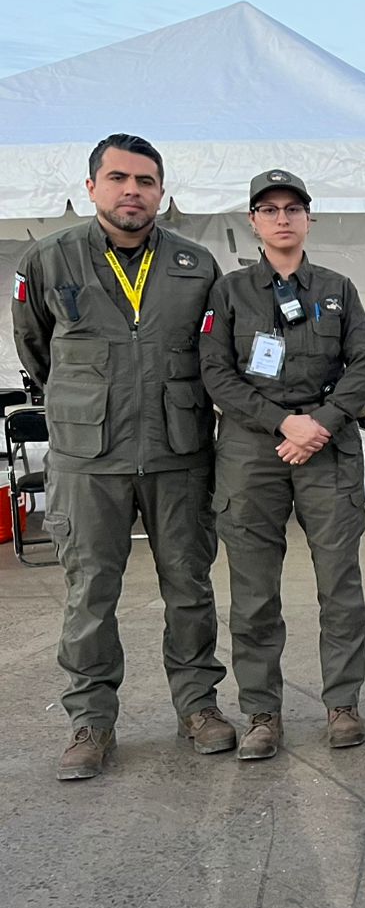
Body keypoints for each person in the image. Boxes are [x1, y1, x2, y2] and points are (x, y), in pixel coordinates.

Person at [12, 133, 235, 780]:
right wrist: (90, 401)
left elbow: (213, 354)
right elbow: (36, 350)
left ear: (161, 191)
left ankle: (198, 706)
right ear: (92, 187)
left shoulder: (196, 265)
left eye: (145, 180)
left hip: (177, 453)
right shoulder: (48, 259)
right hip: (88, 458)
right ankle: (91, 722)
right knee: (90, 594)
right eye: (118, 178)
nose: (131, 191)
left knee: (189, 588)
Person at [199, 169, 365, 758]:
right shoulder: (228, 292)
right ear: (253, 221)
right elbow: (215, 373)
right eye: (269, 210)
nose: (282, 219)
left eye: (293, 209)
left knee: (340, 586)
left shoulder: (337, 288)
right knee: (253, 591)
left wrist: (319, 424)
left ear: (308, 218)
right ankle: (261, 713)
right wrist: (284, 424)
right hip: (253, 452)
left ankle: (342, 704)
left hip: (328, 448)